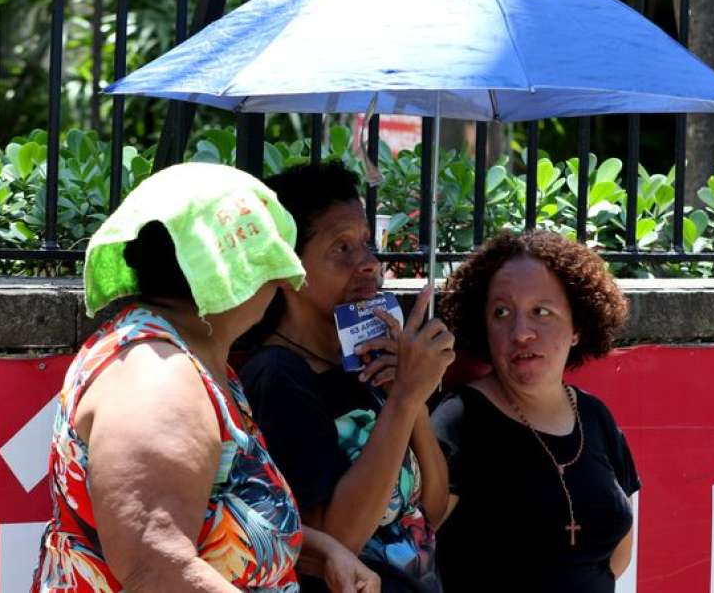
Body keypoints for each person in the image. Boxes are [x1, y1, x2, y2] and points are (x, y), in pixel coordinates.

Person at [32, 163, 379, 593]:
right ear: (232, 270)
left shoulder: (187, 354)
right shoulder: (157, 377)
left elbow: (207, 515)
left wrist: (323, 549)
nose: (279, 279)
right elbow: (156, 568)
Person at [239, 162, 454, 592]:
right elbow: (333, 545)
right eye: (341, 248)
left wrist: (411, 401)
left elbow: (431, 511)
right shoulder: (278, 377)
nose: (368, 264)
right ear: (286, 269)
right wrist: (404, 400)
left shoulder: (368, 363)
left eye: (367, 244)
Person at [431, 230, 638, 593]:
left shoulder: (595, 417)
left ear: (577, 327)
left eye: (541, 312)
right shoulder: (459, 419)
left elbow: (616, 557)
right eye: (501, 313)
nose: (520, 332)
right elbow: (421, 540)